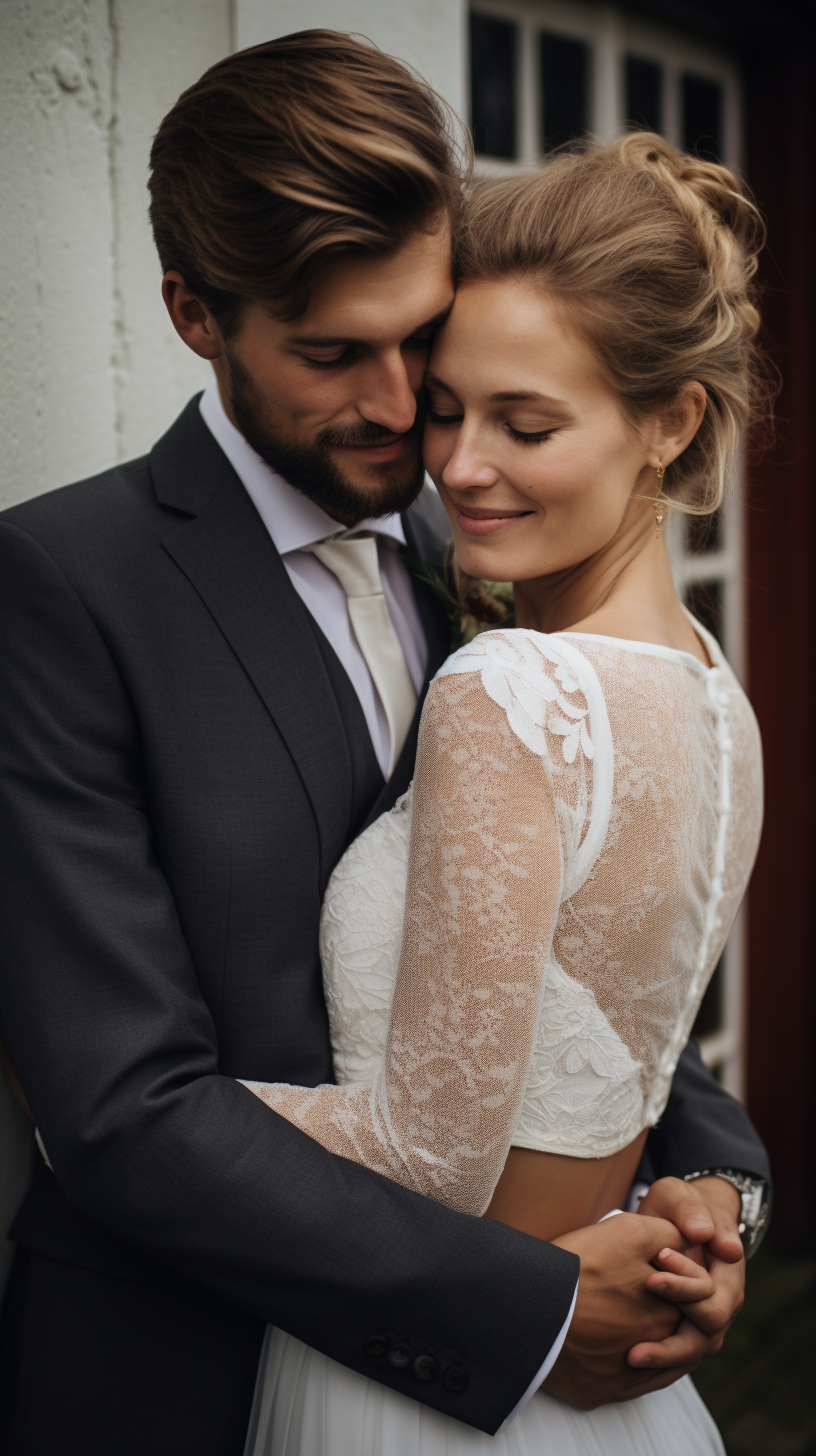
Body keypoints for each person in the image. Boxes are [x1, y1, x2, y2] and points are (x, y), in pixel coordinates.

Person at [0, 32, 767, 1456]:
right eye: (334, 355)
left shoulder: (473, 532)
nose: (407, 406)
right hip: (182, 1369)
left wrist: (711, 1193)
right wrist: (528, 1302)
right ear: (193, 312)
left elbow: (556, 969)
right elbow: (114, 1101)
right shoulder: (58, 587)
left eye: (425, 337)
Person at [236, 132, 768, 1454]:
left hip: (430, 1385)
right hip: (607, 1389)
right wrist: (722, 1202)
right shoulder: (714, 694)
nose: (461, 468)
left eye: (528, 424)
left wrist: (123, 1097)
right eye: (450, 409)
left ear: (671, 420)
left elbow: (433, 1158)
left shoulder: (510, 691)